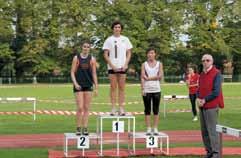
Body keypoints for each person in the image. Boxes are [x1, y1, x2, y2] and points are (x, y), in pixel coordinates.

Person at [102, 21, 133, 116]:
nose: (117, 29)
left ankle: (121, 108)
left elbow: (129, 53)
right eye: (115, 27)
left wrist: (126, 64)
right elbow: (105, 54)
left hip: (122, 67)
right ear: (113, 29)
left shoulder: (125, 39)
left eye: (119, 27)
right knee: (113, 88)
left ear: (121, 29)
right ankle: (113, 108)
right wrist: (112, 66)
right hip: (112, 67)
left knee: (122, 88)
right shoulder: (109, 40)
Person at [197, 54, 224, 158]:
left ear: (212, 61)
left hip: (212, 106)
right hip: (202, 105)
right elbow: (199, 89)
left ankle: (216, 154)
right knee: (204, 131)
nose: (205, 62)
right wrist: (198, 98)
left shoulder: (217, 73)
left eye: (207, 60)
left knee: (212, 131)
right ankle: (209, 152)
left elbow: (216, 92)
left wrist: (204, 99)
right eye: (203, 60)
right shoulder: (202, 74)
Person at [71, 41, 98, 135]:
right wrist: (75, 83)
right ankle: (78, 128)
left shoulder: (92, 59)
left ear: (89, 48)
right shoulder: (76, 58)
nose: (86, 48)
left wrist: (96, 87)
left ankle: (85, 128)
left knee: (86, 108)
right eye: (84, 46)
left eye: (88, 47)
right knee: (80, 107)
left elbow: (94, 73)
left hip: (88, 85)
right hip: (78, 85)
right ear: (82, 47)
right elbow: (72, 73)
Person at [141, 48, 163, 135]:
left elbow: (160, 76)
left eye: (152, 53)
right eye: (149, 53)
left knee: (156, 109)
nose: (150, 54)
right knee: (147, 109)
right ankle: (148, 128)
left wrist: (149, 78)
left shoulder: (159, 64)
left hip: (156, 89)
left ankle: (155, 128)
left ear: (155, 54)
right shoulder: (144, 64)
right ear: (147, 54)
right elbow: (142, 76)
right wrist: (142, 89)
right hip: (147, 89)